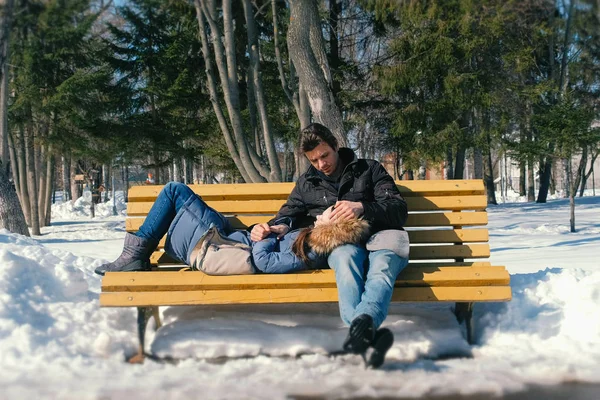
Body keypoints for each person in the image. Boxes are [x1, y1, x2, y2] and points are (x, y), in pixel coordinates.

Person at [250, 123, 409, 367]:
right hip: (344, 243)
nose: (321, 164)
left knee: (382, 268)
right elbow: (288, 213)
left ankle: (363, 329)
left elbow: (398, 210)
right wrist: (278, 226)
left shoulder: (369, 169)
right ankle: (367, 330)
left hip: (383, 235)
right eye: (314, 160)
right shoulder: (308, 182)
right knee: (344, 262)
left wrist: (362, 207)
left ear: (335, 145)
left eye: (324, 155)